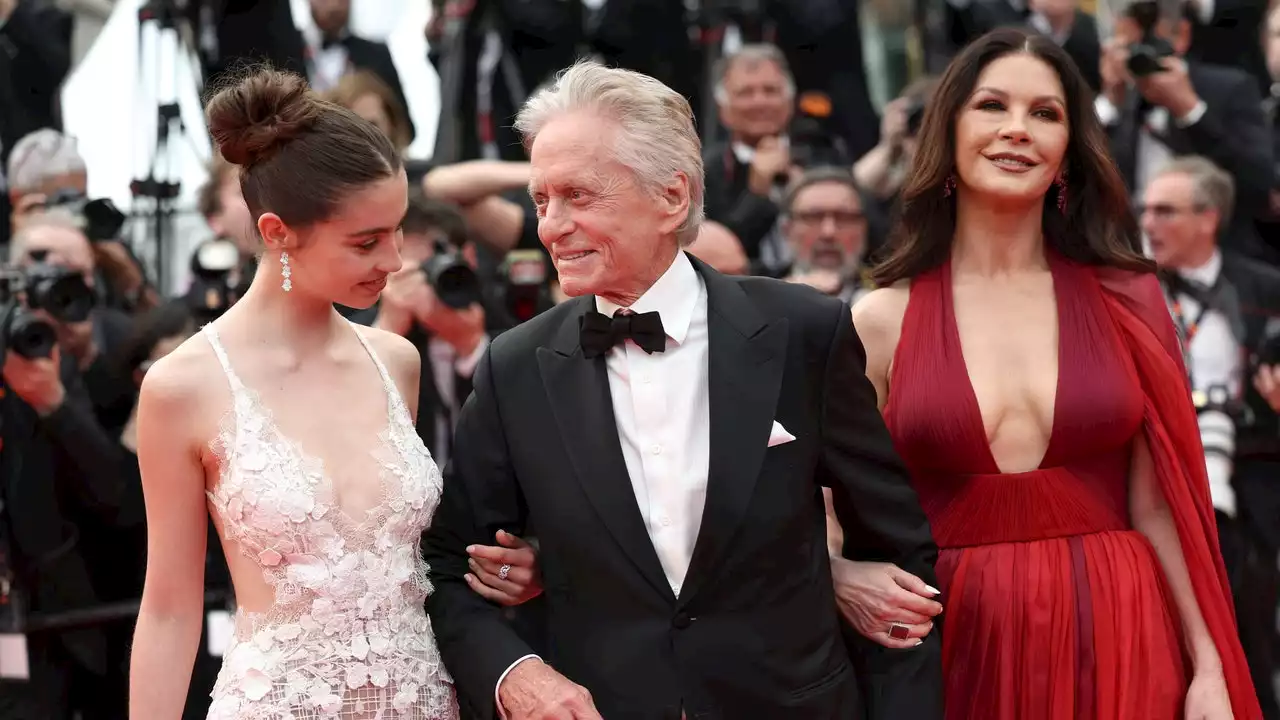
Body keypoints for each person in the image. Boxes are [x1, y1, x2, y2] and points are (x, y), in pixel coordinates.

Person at [422, 59, 943, 720]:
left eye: (578, 196)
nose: (551, 226)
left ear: (671, 198)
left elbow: (899, 561)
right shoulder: (516, 366)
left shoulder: (802, 332)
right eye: (541, 201)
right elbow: (446, 571)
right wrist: (515, 676)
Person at [833, 27, 1261, 720]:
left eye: (1045, 113)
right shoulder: (878, 319)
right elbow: (815, 504)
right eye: (992, 106)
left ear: (1067, 152)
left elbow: (1159, 506)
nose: (1017, 130)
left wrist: (1207, 665)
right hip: (952, 643)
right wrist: (838, 574)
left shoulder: (1126, 302)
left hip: (1122, 628)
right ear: (950, 131)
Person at [127, 68, 535, 719]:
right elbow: (170, 608)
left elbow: (426, 560)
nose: (394, 260)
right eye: (366, 242)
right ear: (277, 232)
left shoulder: (396, 360)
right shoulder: (183, 386)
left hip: (423, 701)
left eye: (398, 231)